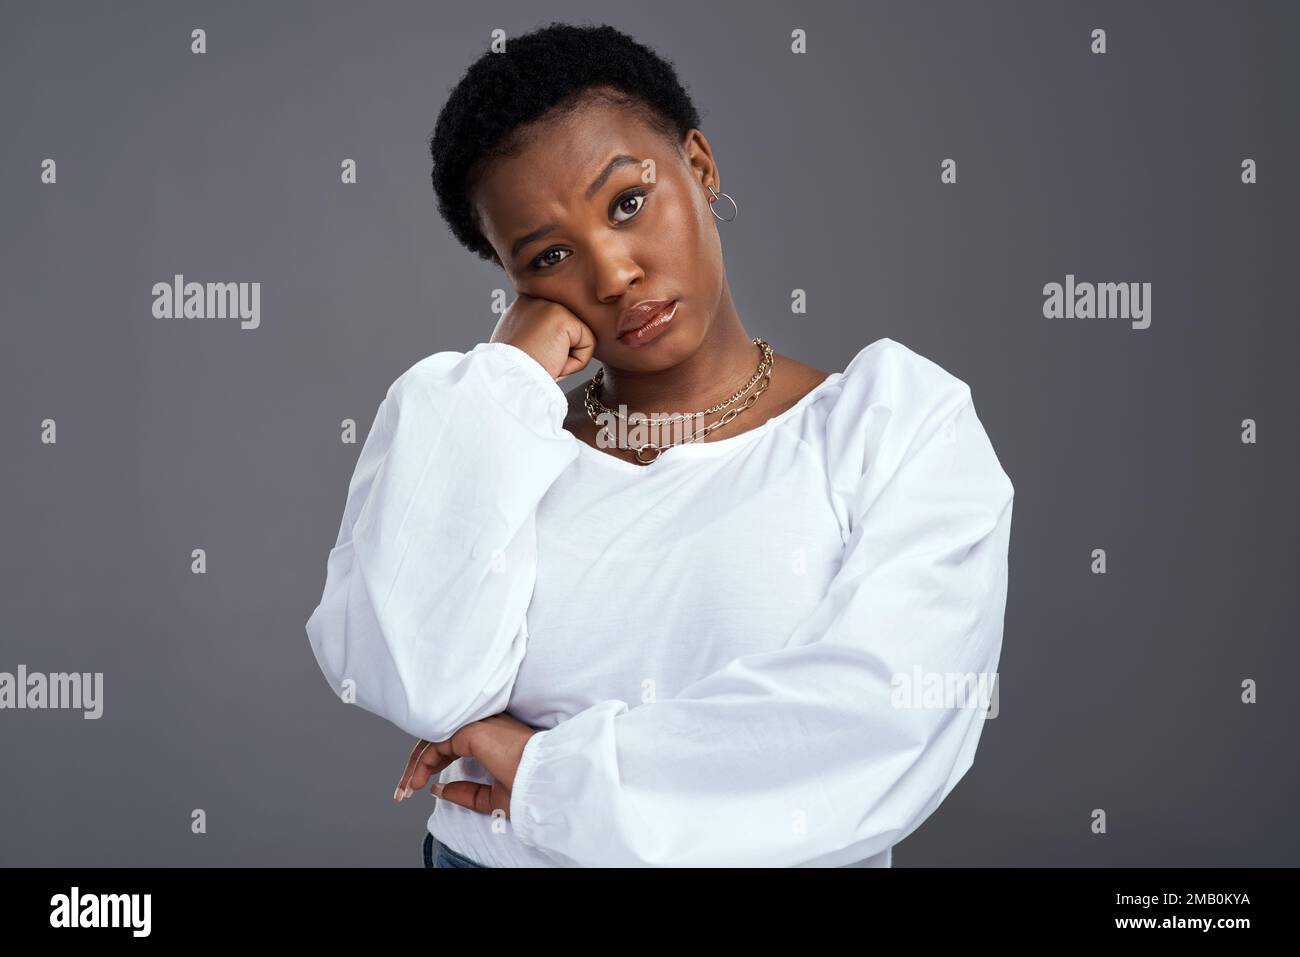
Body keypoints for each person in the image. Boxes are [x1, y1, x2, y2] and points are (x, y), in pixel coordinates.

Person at [305, 21, 1015, 868]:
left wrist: (544, 770)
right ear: (513, 282)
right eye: (551, 255)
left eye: (629, 203)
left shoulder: (891, 425)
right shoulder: (501, 442)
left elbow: (882, 723)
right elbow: (417, 677)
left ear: (701, 167)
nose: (611, 275)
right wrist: (505, 376)